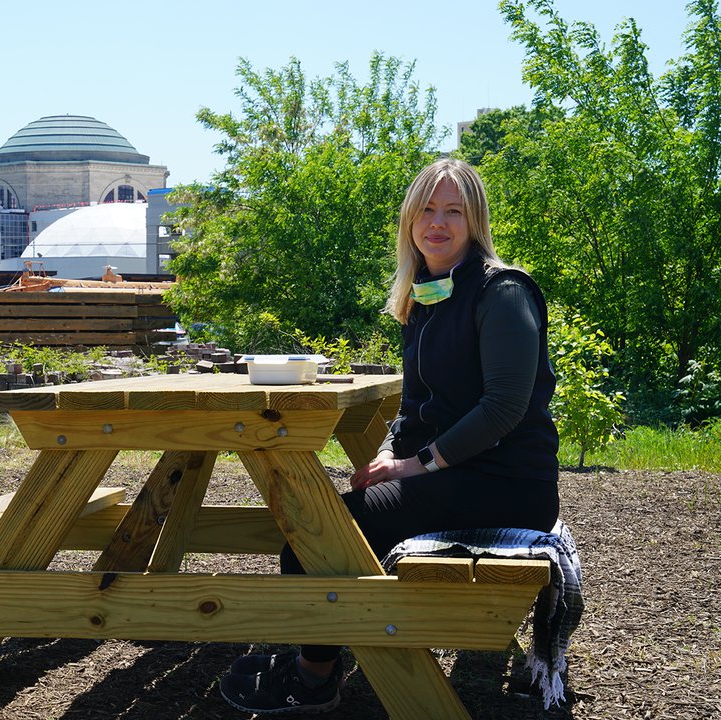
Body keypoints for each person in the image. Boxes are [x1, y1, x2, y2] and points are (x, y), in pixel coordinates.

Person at [219, 158, 561, 715]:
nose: (438, 222)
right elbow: (416, 405)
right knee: (324, 521)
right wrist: (384, 454)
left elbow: (503, 409)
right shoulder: (426, 296)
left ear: (475, 222)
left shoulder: (503, 292)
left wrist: (415, 465)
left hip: (506, 484)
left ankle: (314, 676)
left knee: (316, 538)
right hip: (456, 473)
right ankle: (336, 646)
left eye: (454, 211)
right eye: (427, 209)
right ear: (408, 221)